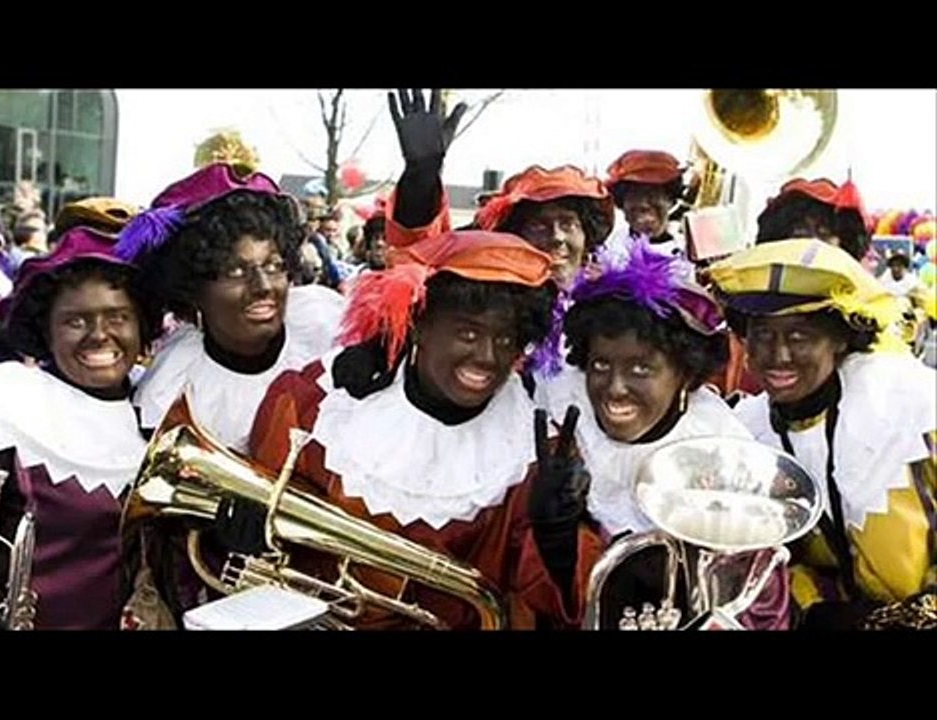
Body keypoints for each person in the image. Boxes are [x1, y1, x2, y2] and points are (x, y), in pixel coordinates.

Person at [249, 229, 602, 629]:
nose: (488, 357)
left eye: (506, 339)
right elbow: (263, 547)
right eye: (467, 333)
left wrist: (559, 543)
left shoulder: (537, 453)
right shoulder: (315, 404)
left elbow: (557, 600)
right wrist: (245, 531)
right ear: (418, 325)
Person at [534, 238, 789, 629]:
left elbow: (761, 604)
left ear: (685, 373)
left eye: (641, 369)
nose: (615, 387)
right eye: (601, 365)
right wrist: (557, 539)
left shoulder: (724, 453)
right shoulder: (563, 426)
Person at [709, 238, 936, 629]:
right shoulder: (745, 432)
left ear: (840, 338)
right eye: (762, 335)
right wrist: (814, 606)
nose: (779, 355)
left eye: (799, 336)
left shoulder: (914, 405)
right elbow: (771, 565)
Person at [0, 227, 162, 629]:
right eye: (76, 321)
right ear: (47, 331)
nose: (99, 335)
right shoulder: (5, 399)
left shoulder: (159, 407)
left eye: (118, 317)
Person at [115, 162, 345, 453]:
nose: (263, 286)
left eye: (273, 266)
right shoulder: (171, 390)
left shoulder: (326, 323)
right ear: (192, 289)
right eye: (235, 271)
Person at [384, 89, 614, 287]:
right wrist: (422, 176)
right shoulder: (484, 307)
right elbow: (417, 259)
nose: (556, 237)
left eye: (568, 224)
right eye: (538, 225)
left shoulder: (614, 310)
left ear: (587, 238)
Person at [602, 150, 690, 259]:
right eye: (634, 194)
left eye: (652, 193)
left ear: (670, 200)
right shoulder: (608, 251)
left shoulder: (690, 249)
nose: (644, 203)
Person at [755, 177, 871, 261]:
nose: (813, 243)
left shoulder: (865, 293)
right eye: (800, 234)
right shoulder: (753, 288)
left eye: (824, 234)